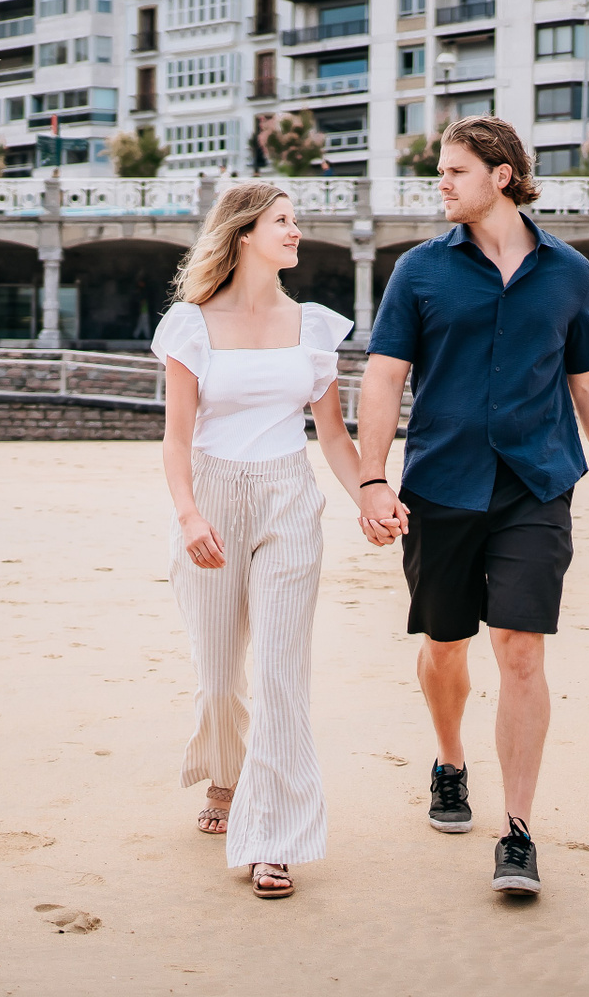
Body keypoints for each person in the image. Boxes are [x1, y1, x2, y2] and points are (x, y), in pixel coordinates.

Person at [356, 115, 589, 898]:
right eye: (440, 171)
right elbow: (383, 376)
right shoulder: (419, 271)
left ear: (501, 175)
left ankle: (518, 830)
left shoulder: (568, 272)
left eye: (454, 171)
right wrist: (372, 479)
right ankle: (450, 760)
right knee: (446, 644)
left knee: (521, 649)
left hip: (536, 484)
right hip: (440, 486)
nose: (440, 183)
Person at [151, 180, 376, 900]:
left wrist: (372, 496)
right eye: (283, 220)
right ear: (244, 233)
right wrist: (190, 515)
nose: (296, 230)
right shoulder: (190, 325)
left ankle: (272, 838)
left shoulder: (314, 327)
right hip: (212, 500)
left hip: (288, 500)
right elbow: (176, 439)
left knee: (282, 675)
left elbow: (333, 437)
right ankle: (225, 774)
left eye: (295, 220)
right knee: (219, 675)